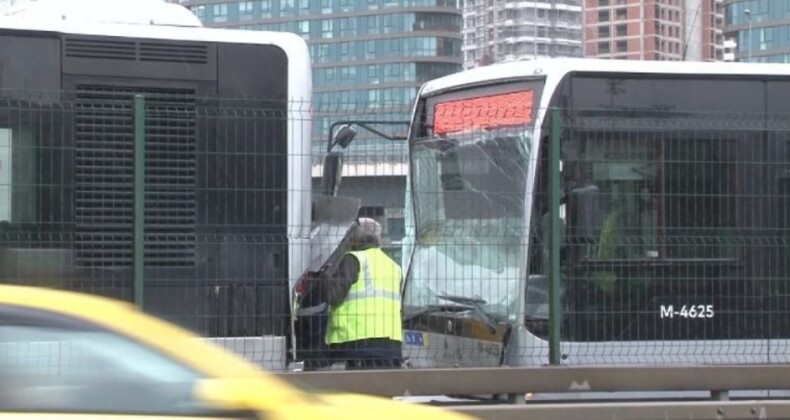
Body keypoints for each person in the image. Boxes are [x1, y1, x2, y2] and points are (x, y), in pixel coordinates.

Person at [321, 217, 403, 369]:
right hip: (391, 346)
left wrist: (323, 275)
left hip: (356, 345)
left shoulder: (354, 259)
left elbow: (333, 295)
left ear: (353, 238)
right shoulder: (394, 266)